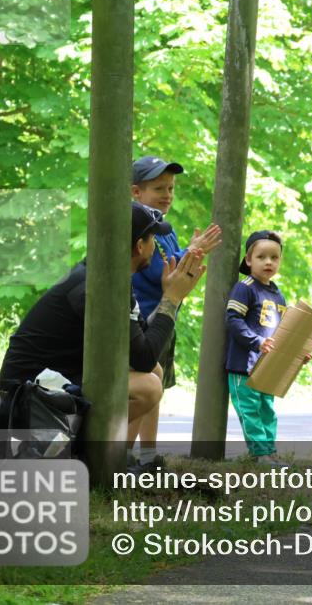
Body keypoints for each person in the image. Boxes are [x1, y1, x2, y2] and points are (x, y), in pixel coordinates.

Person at [0, 203, 206, 469]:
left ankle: (109, 458)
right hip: (26, 400)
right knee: (148, 387)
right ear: (140, 246)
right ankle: (81, 457)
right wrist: (172, 299)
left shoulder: (107, 277)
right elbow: (141, 357)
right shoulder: (99, 286)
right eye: (153, 239)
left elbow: (143, 348)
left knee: (154, 372)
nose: (156, 247)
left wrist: (169, 295)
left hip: (50, 386)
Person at [130, 155, 222, 469]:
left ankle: (147, 453)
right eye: (159, 188)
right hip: (145, 321)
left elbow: (176, 272)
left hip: (166, 317)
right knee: (146, 385)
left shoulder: (164, 229)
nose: (168, 194)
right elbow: (159, 271)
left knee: (155, 389)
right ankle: (125, 454)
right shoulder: (140, 226)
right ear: (136, 192)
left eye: (170, 188)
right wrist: (192, 251)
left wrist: (190, 257)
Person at [225, 231, 312, 465]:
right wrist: (257, 341)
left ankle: (269, 452)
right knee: (250, 410)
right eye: (262, 256)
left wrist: (297, 353)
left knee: (267, 410)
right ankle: (260, 454)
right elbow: (233, 319)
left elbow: (282, 333)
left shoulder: (277, 294)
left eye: (274, 257)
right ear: (249, 260)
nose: (269, 262)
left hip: (267, 367)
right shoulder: (245, 288)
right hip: (244, 364)